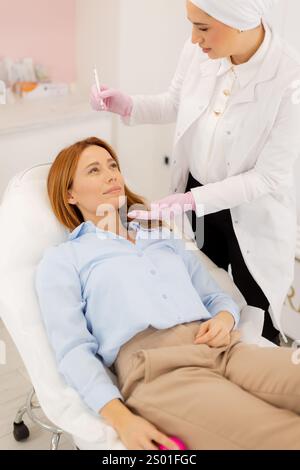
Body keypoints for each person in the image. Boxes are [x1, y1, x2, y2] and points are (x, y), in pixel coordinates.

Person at [35, 137, 300, 450]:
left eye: (113, 166)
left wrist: (225, 318)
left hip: (223, 349)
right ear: (69, 194)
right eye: (94, 170)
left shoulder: (162, 237)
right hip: (160, 372)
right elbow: (73, 350)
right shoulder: (64, 259)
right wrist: (122, 419)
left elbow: (216, 297)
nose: (111, 175)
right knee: (285, 435)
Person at [90, 0, 300, 346]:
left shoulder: (290, 78)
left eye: (202, 27)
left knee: (257, 312)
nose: (192, 39)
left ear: (241, 21)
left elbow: (267, 177)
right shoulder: (200, 53)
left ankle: (263, 374)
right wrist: (129, 105)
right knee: (208, 297)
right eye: (191, 24)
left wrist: (191, 199)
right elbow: (175, 102)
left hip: (251, 211)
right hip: (197, 199)